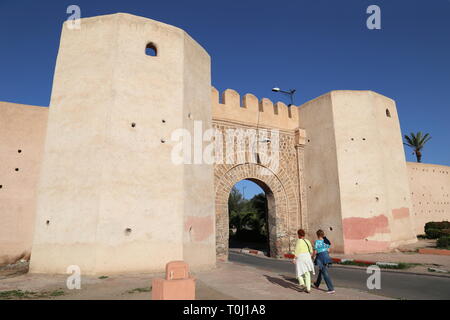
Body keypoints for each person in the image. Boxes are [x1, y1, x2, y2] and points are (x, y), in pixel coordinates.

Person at [312, 229, 335, 294]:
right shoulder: (326, 241)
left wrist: (312, 257)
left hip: (320, 257)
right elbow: (328, 250)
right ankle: (317, 284)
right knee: (321, 271)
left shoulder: (317, 242)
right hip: (326, 256)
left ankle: (331, 289)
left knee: (324, 272)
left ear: (317, 235)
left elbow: (315, 251)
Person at [292, 229, 315, 293]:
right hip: (307, 256)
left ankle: (302, 284)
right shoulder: (307, 241)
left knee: (299, 271)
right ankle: (308, 288)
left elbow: (297, 250)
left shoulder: (299, 241)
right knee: (307, 273)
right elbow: (311, 250)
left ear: (299, 235)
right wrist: (309, 256)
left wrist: (294, 258)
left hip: (301, 257)